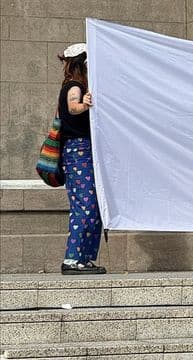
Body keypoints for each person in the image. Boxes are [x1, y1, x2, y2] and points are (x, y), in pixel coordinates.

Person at [58, 43, 106, 275]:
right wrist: (84, 105)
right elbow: (72, 106)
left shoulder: (77, 85)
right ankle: (72, 259)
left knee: (94, 207)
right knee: (85, 205)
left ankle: (84, 258)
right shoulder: (74, 86)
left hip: (84, 151)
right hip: (78, 152)